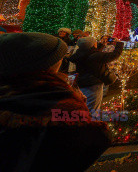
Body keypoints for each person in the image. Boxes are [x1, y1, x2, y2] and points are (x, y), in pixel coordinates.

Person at [0, 32, 111, 171]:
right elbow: (88, 142)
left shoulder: (11, 92)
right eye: (59, 57)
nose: (63, 60)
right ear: (48, 64)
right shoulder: (59, 102)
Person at [70, 36, 124, 112]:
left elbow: (93, 53)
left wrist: (102, 45)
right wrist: (119, 44)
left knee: (84, 104)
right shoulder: (95, 56)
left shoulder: (79, 54)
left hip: (82, 82)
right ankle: (91, 122)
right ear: (92, 44)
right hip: (93, 84)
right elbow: (114, 55)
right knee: (93, 107)